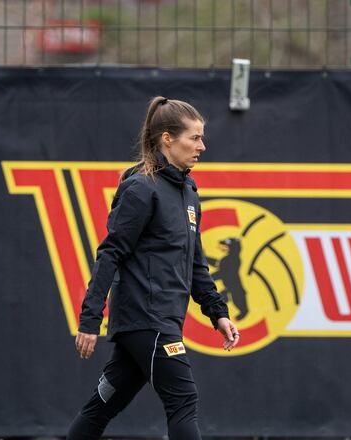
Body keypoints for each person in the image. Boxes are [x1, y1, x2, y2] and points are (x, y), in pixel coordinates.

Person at [67, 96, 239, 440]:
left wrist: (217, 312)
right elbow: (110, 254)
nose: (202, 146)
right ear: (167, 139)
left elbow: (195, 264)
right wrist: (89, 320)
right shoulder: (141, 189)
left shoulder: (188, 191)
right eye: (194, 138)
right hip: (148, 320)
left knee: (101, 406)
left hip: (154, 322)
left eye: (202, 137)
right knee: (183, 400)